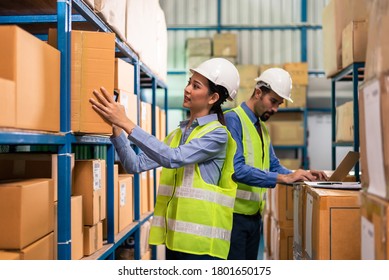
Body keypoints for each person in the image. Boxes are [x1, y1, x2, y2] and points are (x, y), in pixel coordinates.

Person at [89, 58, 240, 260]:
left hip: (201, 248)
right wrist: (117, 129)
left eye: (196, 86)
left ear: (213, 97)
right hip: (175, 241)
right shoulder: (178, 134)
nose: (187, 89)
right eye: (189, 82)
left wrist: (127, 122)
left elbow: (172, 158)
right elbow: (135, 164)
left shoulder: (217, 135)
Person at [224, 67, 328, 260]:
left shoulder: (261, 127)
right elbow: (236, 170)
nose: (275, 109)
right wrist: (284, 177)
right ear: (258, 92)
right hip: (232, 217)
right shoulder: (233, 119)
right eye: (273, 101)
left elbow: (273, 165)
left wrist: (300, 174)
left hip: (254, 217)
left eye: (279, 104)